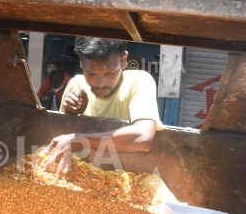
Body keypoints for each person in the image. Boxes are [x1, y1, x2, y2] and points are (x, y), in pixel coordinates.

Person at [43, 37, 164, 175]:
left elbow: (144, 138)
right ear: (82, 63)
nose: (100, 83)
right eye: (91, 73)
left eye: (109, 73)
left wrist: (79, 140)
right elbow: (61, 143)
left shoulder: (138, 82)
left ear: (124, 60)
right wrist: (76, 116)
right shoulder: (76, 86)